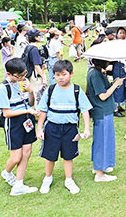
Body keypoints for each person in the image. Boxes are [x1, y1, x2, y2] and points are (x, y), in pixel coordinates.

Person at [36, 60, 92, 194]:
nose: (60, 78)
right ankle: (47, 178)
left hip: (70, 129)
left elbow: (85, 110)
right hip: (52, 128)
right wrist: (39, 129)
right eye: (57, 74)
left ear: (71, 74)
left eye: (64, 74)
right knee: (50, 156)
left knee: (68, 156)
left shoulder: (77, 90)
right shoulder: (50, 90)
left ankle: (69, 179)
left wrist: (87, 128)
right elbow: (43, 111)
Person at [0, 58, 39, 196]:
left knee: (27, 153)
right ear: (9, 74)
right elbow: (6, 113)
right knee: (16, 157)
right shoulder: (3, 88)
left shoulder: (24, 82)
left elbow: (31, 103)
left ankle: (18, 185)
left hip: (27, 120)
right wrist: (27, 111)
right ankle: (7, 172)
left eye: (24, 74)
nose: (23, 78)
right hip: (13, 123)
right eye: (19, 76)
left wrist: (31, 91)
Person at [87, 58, 124, 182]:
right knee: (101, 142)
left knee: (103, 140)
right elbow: (102, 96)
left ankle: (101, 165)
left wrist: (113, 83)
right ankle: (99, 173)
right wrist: (115, 85)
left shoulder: (97, 72)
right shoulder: (95, 74)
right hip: (101, 111)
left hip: (104, 111)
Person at [25, 29, 47, 107]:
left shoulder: (28, 47)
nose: (40, 37)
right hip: (35, 75)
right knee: (36, 93)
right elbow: (36, 66)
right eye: (39, 36)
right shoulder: (34, 49)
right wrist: (44, 78)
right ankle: (36, 111)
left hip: (30, 73)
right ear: (36, 37)